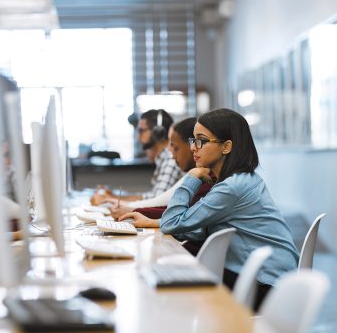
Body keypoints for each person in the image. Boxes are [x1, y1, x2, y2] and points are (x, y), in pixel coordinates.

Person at [120, 108, 299, 310]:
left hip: (266, 284)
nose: (193, 148)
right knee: (171, 278)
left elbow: (172, 223)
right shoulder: (238, 179)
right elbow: (202, 227)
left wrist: (191, 178)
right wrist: (155, 222)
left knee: (173, 291)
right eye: (193, 140)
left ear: (226, 147)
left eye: (201, 141)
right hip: (270, 276)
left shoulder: (231, 187)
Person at [110, 117, 213, 220]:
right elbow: (173, 211)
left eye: (175, 146)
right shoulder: (201, 173)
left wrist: (131, 210)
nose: (193, 148)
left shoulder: (208, 179)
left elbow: (179, 215)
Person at [90, 109, 183, 204]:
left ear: (157, 133)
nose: (138, 136)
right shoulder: (163, 159)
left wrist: (110, 199)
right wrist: (113, 196)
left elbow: (155, 203)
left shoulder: (170, 160)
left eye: (141, 131)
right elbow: (150, 197)